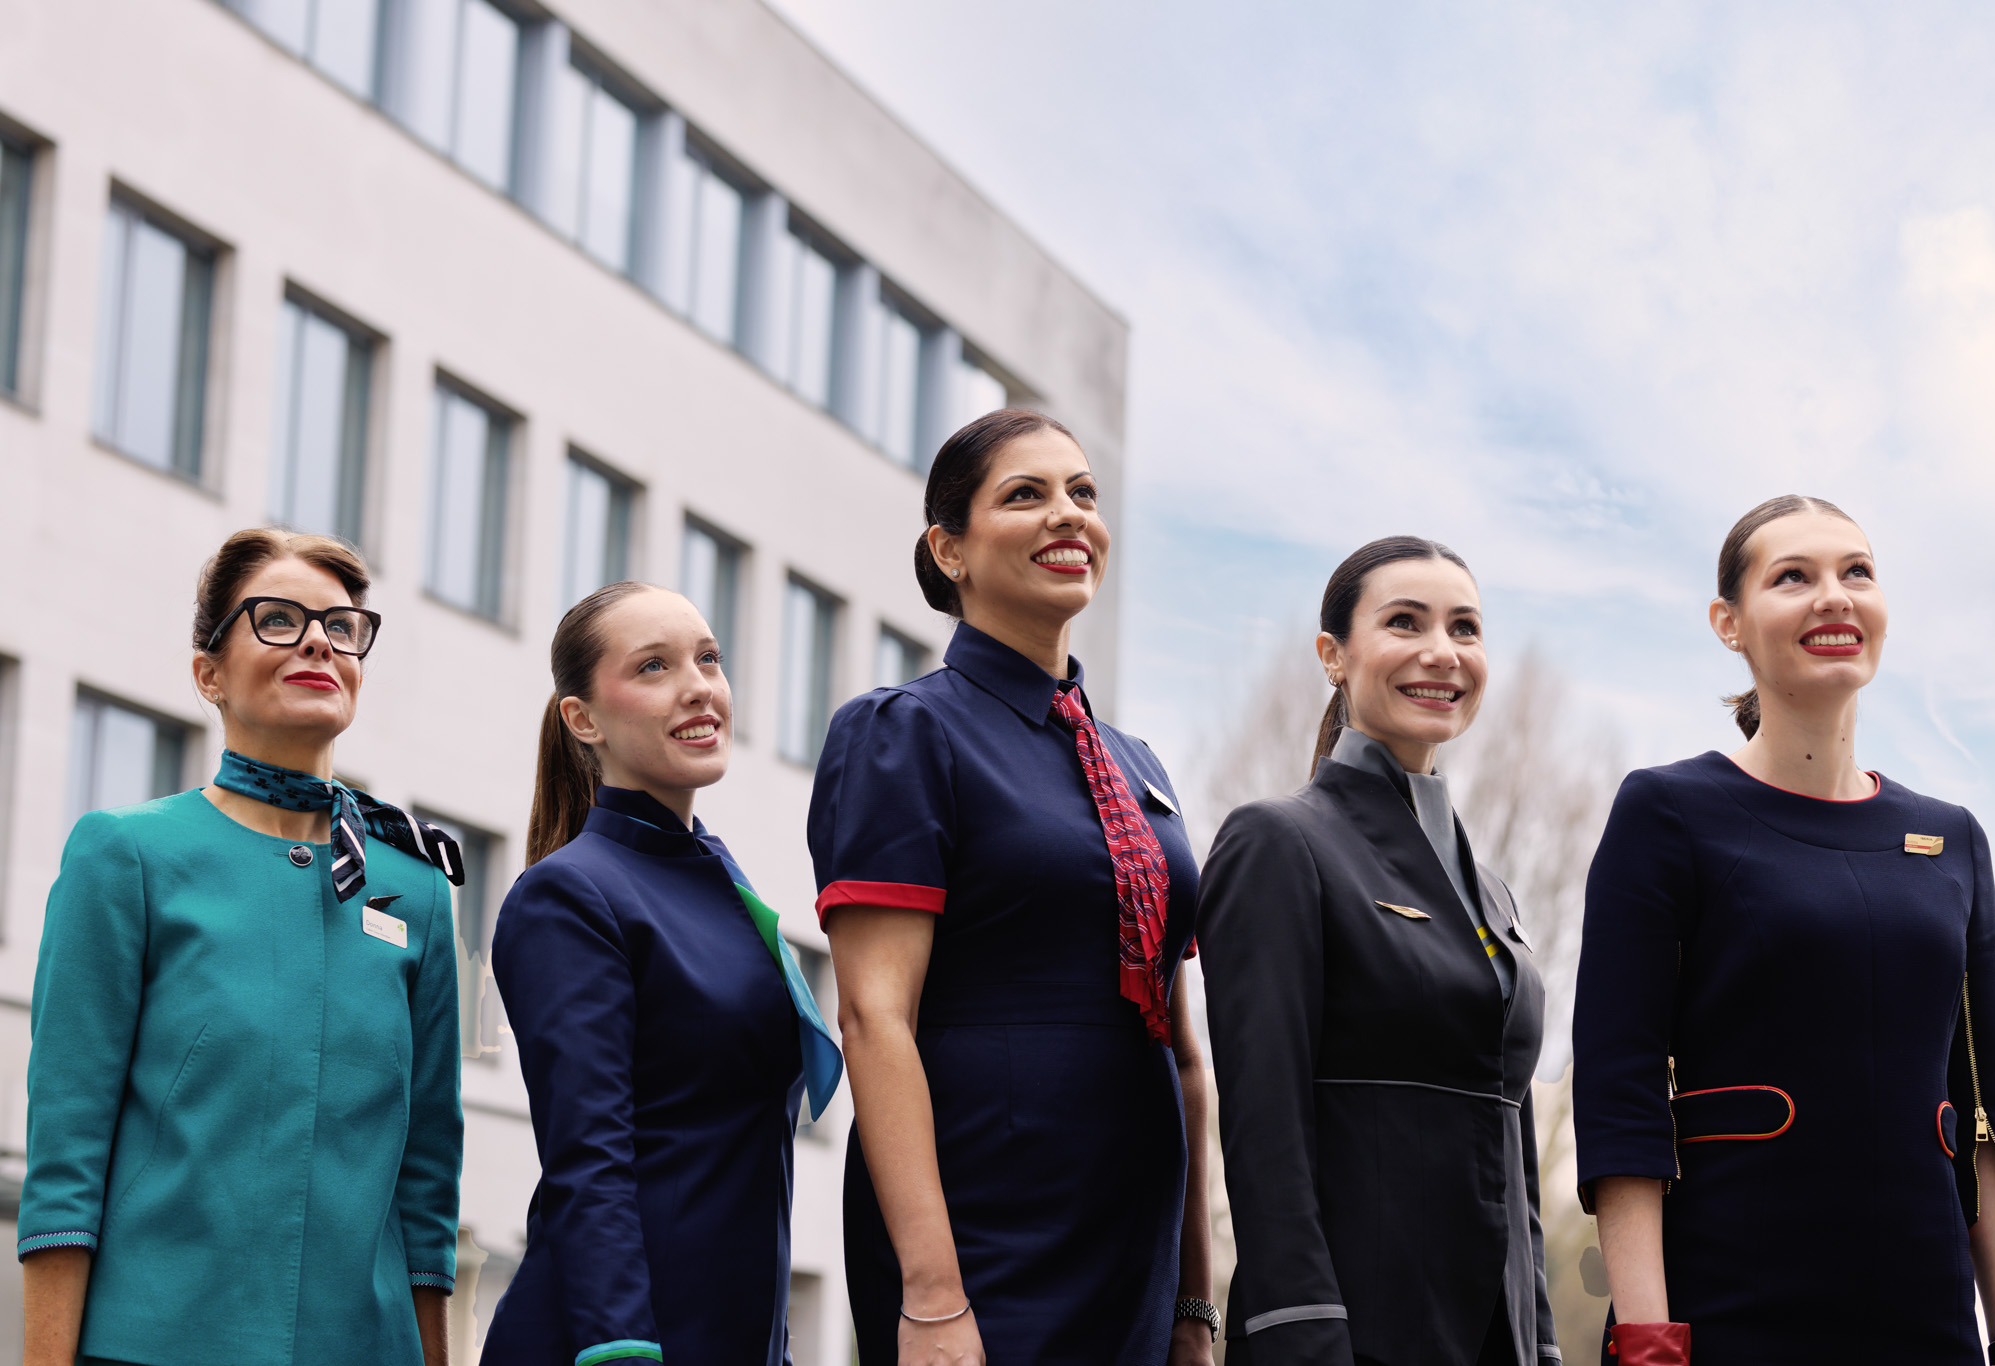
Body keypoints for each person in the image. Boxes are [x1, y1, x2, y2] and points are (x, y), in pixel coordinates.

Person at [1574, 495, 1995, 1366]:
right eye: (1793, 577)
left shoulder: (1954, 839)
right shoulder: (1667, 812)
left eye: (1855, 572)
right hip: (1730, 1316)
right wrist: (1648, 1343)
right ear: (1730, 623)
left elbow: (1991, 1114)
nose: (1834, 596)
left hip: (1926, 1323)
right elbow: (1620, 1098)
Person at [808, 409, 1216, 1366]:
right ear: (948, 549)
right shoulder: (901, 734)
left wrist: (1194, 1301)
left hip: (1133, 1242)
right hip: (984, 1232)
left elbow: (1185, 1052)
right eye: (1025, 495)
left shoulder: (1139, 764)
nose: (1067, 516)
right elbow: (874, 1020)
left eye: (1082, 493)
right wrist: (933, 1294)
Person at [19, 529, 465, 1366]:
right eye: (277, 618)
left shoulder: (418, 893)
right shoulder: (127, 854)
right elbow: (65, 1161)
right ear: (208, 673)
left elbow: (427, 1184)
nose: (316, 642)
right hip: (155, 1345)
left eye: (341, 626)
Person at [1199, 536, 1558, 1366]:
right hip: (1352, 1334)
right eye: (1405, 622)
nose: (1443, 653)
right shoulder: (1278, 842)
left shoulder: (1492, 892)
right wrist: (1300, 1330)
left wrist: (1540, 1338)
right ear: (1334, 654)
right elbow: (1262, 1124)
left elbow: (1515, 1148)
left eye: (1465, 629)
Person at [481, 582, 840, 1366]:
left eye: (708, 658)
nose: (698, 686)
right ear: (583, 719)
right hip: (621, 1341)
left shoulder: (720, 878)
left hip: (735, 1335)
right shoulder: (568, 894)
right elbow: (589, 1158)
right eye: (653, 666)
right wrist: (622, 1350)